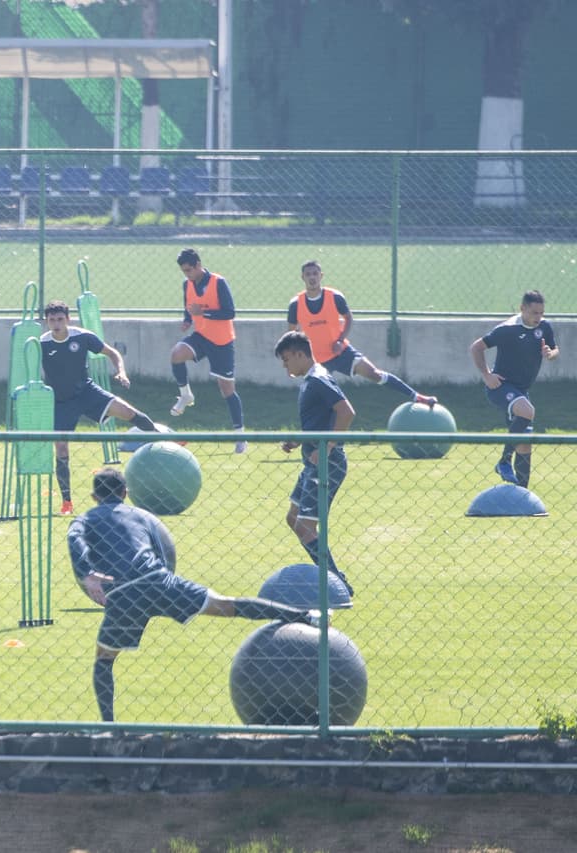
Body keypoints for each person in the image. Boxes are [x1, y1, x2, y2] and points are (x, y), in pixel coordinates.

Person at [67, 468, 318, 723]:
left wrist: (86, 573)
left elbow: (75, 539)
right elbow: (163, 551)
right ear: (125, 492)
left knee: (104, 659)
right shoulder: (142, 516)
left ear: (93, 496)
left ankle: (109, 726)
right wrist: (164, 582)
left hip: (122, 594)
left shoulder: (84, 520)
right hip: (159, 581)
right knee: (226, 604)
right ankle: (307, 617)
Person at [39, 300, 162, 515]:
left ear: (68, 319)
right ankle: (67, 502)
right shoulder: (42, 343)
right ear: (46, 321)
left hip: (87, 392)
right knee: (61, 448)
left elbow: (112, 353)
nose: (56, 324)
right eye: (52, 320)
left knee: (128, 412)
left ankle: (162, 443)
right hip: (60, 403)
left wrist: (121, 371)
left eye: (60, 319)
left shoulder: (83, 337)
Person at [287, 260, 438, 408]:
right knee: (316, 400)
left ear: (321, 275)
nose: (312, 277)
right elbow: (292, 335)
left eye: (315, 273)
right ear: (303, 277)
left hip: (341, 352)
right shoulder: (295, 304)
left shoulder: (334, 297)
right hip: (316, 360)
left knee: (375, 374)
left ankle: (416, 397)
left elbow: (348, 318)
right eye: (308, 274)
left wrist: (340, 340)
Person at [275, 331, 356, 597]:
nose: (285, 367)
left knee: (305, 526)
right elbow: (321, 420)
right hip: (313, 463)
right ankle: (333, 577)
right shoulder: (310, 381)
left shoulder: (320, 379)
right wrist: (299, 440)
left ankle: (334, 582)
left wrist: (327, 448)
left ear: (300, 354)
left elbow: (346, 412)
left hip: (326, 464)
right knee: (293, 518)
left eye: (287, 360)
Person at [469, 290, 559, 488]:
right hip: (500, 387)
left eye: (541, 313)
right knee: (528, 411)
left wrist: (550, 353)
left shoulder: (544, 327)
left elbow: (554, 350)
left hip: (521, 391)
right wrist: (486, 375)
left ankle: (522, 494)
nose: (539, 317)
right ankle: (503, 461)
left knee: (524, 443)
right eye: (534, 313)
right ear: (522, 309)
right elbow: (476, 347)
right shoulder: (507, 329)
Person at [168, 248, 246, 453]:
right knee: (176, 354)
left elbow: (230, 312)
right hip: (201, 337)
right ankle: (185, 395)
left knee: (227, 390)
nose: (187, 274)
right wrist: (187, 321)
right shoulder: (187, 285)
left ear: (199, 264)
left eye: (189, 270)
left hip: (222, 342)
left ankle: (240, 435)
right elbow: (189, 308)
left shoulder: (218, 282)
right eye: (184, 271)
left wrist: (203, 313)